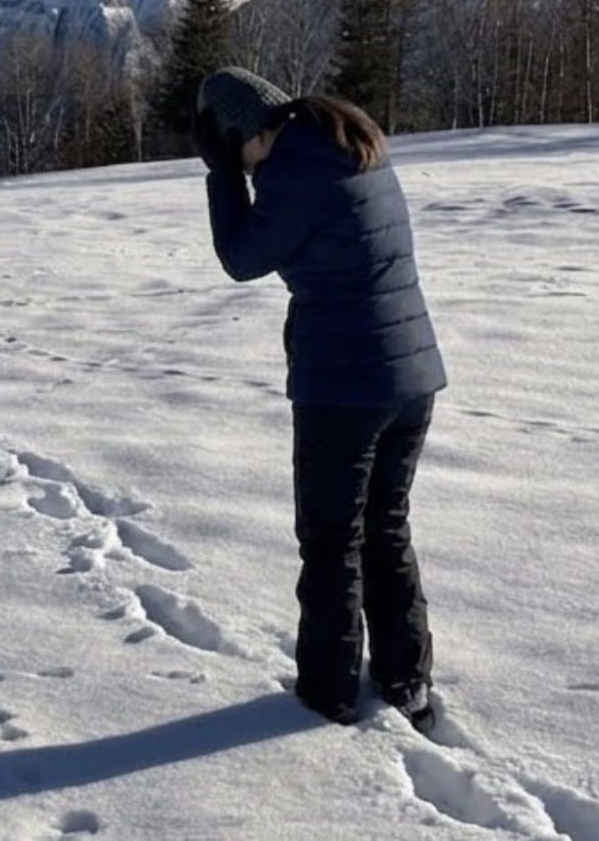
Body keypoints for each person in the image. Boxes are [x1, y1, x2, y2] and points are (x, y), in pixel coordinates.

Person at [192, 67, 448, 731]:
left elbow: (242, 258)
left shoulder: (296, 174)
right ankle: (406, 679)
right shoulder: (343, 143)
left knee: (332, 541)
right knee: (384, 530)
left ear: (240, 134)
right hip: (411, 376)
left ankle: (329, 694)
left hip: (346, 385)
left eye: (228, 148)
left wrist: (222, 178)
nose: (240, 167)